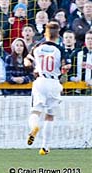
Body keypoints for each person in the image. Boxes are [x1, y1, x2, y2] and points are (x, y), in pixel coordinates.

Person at [25, 21, 71, 156]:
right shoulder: (60, 49)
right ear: (58, 35)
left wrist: (34, 68)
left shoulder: (37, 46)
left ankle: (34, 127)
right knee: (50, 116)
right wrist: (63, 70)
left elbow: (26, 61)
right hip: (54, 83)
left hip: (40, 81)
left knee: (35, 111)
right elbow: (66, 66)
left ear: (45, 33)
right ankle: (45, 147)